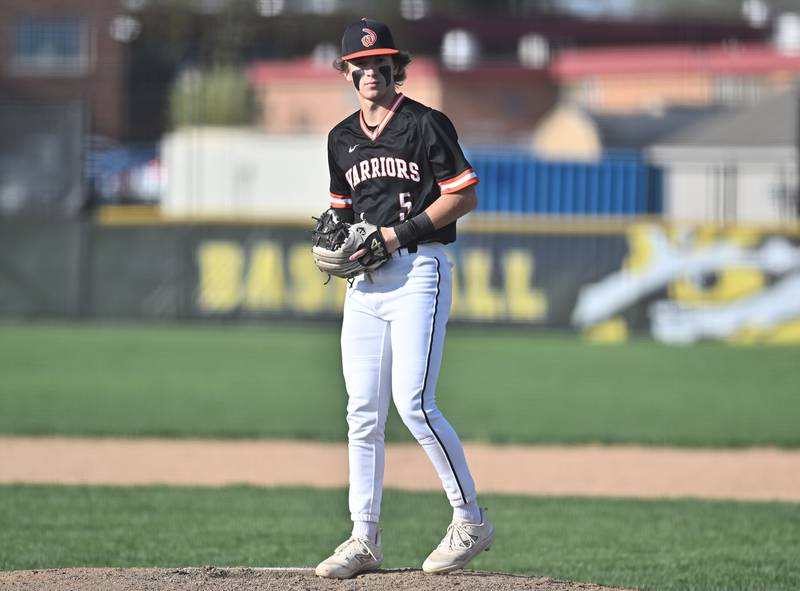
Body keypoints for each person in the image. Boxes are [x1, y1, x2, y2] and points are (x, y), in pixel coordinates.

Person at [314, 18, 495, 579]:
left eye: (381, 62)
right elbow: (341, 213)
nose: (371, 71)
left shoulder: (425, 124)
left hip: (420, 271)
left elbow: (462, 196)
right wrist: (333, 240)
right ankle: (363, 537)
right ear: (347, 71)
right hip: (365, 287)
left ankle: (471, 521)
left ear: (397, 68)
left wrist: (395, 234)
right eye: (361, 64)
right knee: (361, 412)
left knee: (414, 404)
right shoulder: (340, 138)